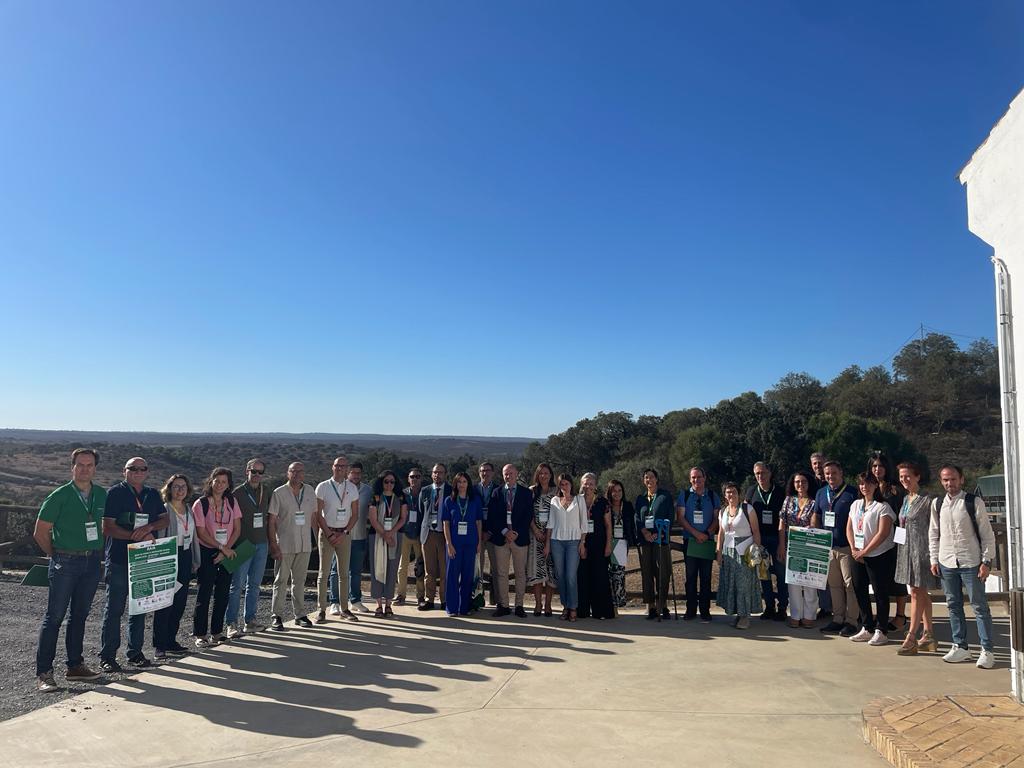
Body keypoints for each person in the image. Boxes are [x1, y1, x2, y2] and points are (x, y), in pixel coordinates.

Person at [34, 449, 107, 692]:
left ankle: (75, 666)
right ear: (72, 467)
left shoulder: (100, 494)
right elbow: (40, 531)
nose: (85, 469)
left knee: (79, 616)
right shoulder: (60, 495)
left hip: (92, 563)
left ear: (95, 468)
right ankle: (44, 673)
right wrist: (55, 555)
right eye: (80, 465)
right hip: (65, 562)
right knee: (54, 618)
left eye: (89, 465)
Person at [99, 457, 169, 673]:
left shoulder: (152, 493)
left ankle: (135, 653)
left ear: (147, 472)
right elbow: (108, 527)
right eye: (133, 468)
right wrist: (134, 534)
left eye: (142, 468)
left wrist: (148, 528)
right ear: (124, 471)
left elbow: (164, 519)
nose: (138, 471)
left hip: (143, 559)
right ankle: (108, 656)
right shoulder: (115, 493)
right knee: (114, 609)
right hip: (120, 559)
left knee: (140, 608)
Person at [929, 464, 997, 669]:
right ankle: (960, 646)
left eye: (953, 479)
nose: (950, 483)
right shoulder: (937, 503)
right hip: (947, 561)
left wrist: (986, 561)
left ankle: (987, 650)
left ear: (961, 479)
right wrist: (934, 559)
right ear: (941, 482)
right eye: (945, 480)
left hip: (971, 562)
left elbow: (987, 534)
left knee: (979, 606)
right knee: (953, 605)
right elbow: (933, 533)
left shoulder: (973, 502)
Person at [191, 467, 242, 647]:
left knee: (222, 594)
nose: (220, 485)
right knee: (204, 593)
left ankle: (217, 632)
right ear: (211, 481)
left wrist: (226, 550)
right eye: (217, 481)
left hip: (228, 552)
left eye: (224, 482)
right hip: (207, 551)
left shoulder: (231, 501)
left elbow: (237, 528)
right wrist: (221, 548)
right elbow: (201, 532)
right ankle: (200, 634)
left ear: (228, 485)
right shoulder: (201, 503)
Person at [846, 473, 897, 646]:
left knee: (880, 592)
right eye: (861, 484)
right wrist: (854, 548)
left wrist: (865, 551)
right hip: (857, 555)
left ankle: (881, 630)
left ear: (875, 486)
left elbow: (882, 533)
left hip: (878, 555)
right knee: (859, 589)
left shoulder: (883, 507)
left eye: (868, 484)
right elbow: (850, 528)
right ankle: (867, 627)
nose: (864, 487)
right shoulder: (855, 505)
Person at [894, 461, 939, 656]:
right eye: (902, 476)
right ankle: (928, 634)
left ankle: (912, 635)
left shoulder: (928, 500)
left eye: (908, 476)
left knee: (916, 593)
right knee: (920, 593)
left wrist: (934, 555)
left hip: (922, 552)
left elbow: (935, 527)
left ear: (917, 476)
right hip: (906, 551)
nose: (904, 479)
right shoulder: (906, 499)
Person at [153, 474, 198, 658]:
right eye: (176, 486)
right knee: (165, 602)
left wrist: (195, 559)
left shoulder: (189, 509)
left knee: (180, 602)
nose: (180, 490)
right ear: (169, 489)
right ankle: (159, 645)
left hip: (186, 555)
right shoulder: (165, 509)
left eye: (183, 487)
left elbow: (194, 535)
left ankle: (171, 640)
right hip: (169, 555)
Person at [267, 462, 316, 631]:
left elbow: (314, 517)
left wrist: (316, 540)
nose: (296, 474)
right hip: (285, 544)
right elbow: (271, 520)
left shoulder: (310, 491)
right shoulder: (278, 493)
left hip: (304, 544)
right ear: (287, 473)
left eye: (299, 471)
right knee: (280, 580)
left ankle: (300, 615)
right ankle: (277, 616)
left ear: (304, 474)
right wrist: (273, 544)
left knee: (299, 581)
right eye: (292, 471)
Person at [226, 458, 271, 637]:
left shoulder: (266, 491)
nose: (257, 475)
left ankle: (250, 621)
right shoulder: (236, 494)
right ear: (247, 471)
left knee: (254, 585)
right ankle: (231, 623)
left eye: (260, 472)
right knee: (236, 585)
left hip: (262, 543)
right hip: (243, 544)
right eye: (254, 471)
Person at [313, 456, 360, 623]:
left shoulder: (352, 488)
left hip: (344, 535)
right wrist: (329, 534)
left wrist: (345, 532)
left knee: (343, 573)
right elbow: (318, 514)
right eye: (337, 466)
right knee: (323, 573)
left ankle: (345, 608)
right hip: (327, 534)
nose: (340, 469)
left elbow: (355, 514)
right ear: (332, 467)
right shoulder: (323, 487)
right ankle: (321, 609)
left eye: (343, 466)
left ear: (347, 469)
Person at [815, 461, 859, 636]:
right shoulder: (820, 493)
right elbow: (817, 516)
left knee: (850, 585)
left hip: (847, 546)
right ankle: (838, 618)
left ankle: (852, 621)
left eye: (833, 473)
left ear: (841, 473)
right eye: (827, 474)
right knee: (834, 585)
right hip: (828, 547)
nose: (830, 477)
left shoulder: (853, 493)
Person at [486, 463, 533, 618]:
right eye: (506, 473)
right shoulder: (496, 493)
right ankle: (503, 605)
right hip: (501, 539)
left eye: (511, 473)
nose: (508, 476)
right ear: (503, 475)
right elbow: (493, 516)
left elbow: (528, 516)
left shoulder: (526, 493)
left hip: (519, 539)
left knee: (520, 573)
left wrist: (516, 532)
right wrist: (505, 531)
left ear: (516, 474)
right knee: (501, 573)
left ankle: (519, 605)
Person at [870, 451, 908, 632]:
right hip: (874, 542)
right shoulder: (868, 487)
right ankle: (881, 614)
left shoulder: (895, 489)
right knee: (879, 581)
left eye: (881, 466)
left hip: (894, 541)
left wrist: (900, 543)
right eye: (874, 466)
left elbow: (902, 517)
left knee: (898, 579)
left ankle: (901, 615)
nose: (877, 469)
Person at [715, 482, 762, 629]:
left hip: (744, 552)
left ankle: (745, 616)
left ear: (739, 493)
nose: (731, 495)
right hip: (728, 553)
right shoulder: (722, 511)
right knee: (732, 585)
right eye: (728, 492)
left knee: (744, 585)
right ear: (724, 495)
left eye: (733, 491)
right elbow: (721, 533)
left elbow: (756, 532)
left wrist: (755, 554)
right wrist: (718, 551)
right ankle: (738, 614)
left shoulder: (748, 509)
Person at [678, 467, 720, 622]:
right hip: (690, 541)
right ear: (690, 479)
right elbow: (680, 518)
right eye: (693, 478)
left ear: (705, 477)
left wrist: (707, 533)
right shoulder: (685, 495)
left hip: (707, 541)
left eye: (699, 477)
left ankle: (705, 610)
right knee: (690, 577)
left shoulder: (712, 495)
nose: (697, 480)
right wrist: (696, 534)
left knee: (706, 577)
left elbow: (717, 518)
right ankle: (690, 610)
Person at [745, 462, 786, 620]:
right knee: (763, 574)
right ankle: (769, 606)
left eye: (763, 473)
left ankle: (782, 607)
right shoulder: (751, 491)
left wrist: (782, 544)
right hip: (759, 539)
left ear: (770, 473)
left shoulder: (780, 492)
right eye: (757, 474)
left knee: (781, 574)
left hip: (777, 538)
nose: (760, 476)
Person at [544, 473, 587, 621]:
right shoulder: (554, 500)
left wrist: (582, 543)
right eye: (561, 484)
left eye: (566, 484)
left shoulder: (579, 499)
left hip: (574, 542)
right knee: (561, 577)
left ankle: (573, 606)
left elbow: (584, 523)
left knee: (570, 576)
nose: (564, 487)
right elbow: (550, 523)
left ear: (571, 484)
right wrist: (548, 544)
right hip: (557, 542)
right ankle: (565, 607)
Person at [780, 471, 820, 628]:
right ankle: (795, 615)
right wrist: (781, 545)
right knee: (794, 582)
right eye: (797, 482)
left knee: (810, 582)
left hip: (809, 545)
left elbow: (815, 521)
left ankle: (809, 615)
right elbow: (782, 524)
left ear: (809, 483)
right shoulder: (788, 500)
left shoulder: (814, 501)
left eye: (803, 481)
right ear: (793, 484)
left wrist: (813, 526)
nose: (800, 484)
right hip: (792, 546)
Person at [442, 471, 484, 616]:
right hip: (454, 544)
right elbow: (446, 524)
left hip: (471, 543)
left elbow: (479, 523)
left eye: (464, 482)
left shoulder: (475, 500)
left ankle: (464, 607)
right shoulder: (449, 501)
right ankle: (452, 608)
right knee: (452, 576)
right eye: (459, 482)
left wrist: (479, 542)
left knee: (467, 576)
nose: (461, 484)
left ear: (468, 484)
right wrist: (449, 544)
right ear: (455, 484)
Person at [368, 470, 408, 617]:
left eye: (392, 482)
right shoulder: (376, 497)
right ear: (381, 482)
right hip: (377, 536)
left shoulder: (401, 497)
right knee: (377, 568)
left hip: (396, 536)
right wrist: (385, 535)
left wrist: (391, 534)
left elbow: (403, 518)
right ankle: (378, 605)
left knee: (392, 569)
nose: (389, 484)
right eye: (386, 481)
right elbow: (373, 519)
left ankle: (388, 605)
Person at [637, 469, 675, 620]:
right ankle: (651, 606)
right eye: (646, 477)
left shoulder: (665, 496)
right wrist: (645, 532)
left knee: (663, 573)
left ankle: (663, 605)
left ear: (657, 479)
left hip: (661, 540)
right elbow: (637, 518)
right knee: (647, 573)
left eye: (652, 477)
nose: (649, 480)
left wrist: (659, 534)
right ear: (643, 480)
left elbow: (670, 517)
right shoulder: (640, 498)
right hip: (646, 541)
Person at [577, 472, 614, 620]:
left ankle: (600, 611)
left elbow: (608, 525)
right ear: (581, 484)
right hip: (581, 544)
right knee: (583, 578)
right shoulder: (577, 501)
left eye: (591, 483)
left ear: (595, 485)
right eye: (585, 483)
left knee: (599, 578)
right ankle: (583, 611)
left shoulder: (602, 502)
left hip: (599, 544)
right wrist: (581, 544)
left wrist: (608, 545)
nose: (588, 486)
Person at [418, 464, 452, 611]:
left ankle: (445, 600)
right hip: (428, 534)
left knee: (445, 570)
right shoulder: (425, 491)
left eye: (440, 472)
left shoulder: (451, 491)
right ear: (431, 474)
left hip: (444, 535)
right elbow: (421, 511)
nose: (437, 475)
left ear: (445, 474)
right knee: (429, 570)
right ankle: (429, 599)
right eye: (435, 472)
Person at [526, 463, 557, 616]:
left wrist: (548, 537)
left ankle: (548, 605)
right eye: (541, 473)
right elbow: (527, 513)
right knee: (536, 572)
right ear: (537, 475)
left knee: (550, 572)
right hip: (535, 537)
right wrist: (536, 530)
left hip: (552, 537)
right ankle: (538, 604)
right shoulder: (531, 491)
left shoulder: (556, 492)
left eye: (546, 473)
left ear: (551, 475)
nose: (544, 476)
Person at [395, 468, 425, 606]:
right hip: (405, 532)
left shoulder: (425, 493)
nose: (415, 479)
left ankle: (420, 596)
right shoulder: (403, 494)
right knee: (402, 566)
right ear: (408, 479)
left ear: (421, 478)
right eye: (412, 476)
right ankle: (401, 595)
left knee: (420, 566)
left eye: (417, 476)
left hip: (420, 534)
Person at [346, 462, 373, 614]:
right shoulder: (341, 488)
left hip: (360, 536)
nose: (355, 475)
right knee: (337, 571)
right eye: (353, 472)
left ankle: (355, 600)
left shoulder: (368, 490)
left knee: (356, 571)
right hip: (342, 536)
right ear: (348, 473)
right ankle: (335, 601)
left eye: (358, 473)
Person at [606, 479, 635, 610]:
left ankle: (617, 605)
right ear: (610, 492)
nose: (617, 493)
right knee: (607, 574)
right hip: (608, 542)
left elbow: (632, 524)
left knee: (618, 574)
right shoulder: (606, 506)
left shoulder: (628, 506)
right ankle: (608, 604)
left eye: (619, 490)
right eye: (614, 491)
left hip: (622, 543)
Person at [475, 462, 499, 605]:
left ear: (493, 473)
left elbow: (500, 514)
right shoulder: (473, 489)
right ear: (479, 473)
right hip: (477, 535)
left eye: (488, 470)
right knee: (478, 568)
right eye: (483, 471)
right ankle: (479, 598)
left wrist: (489, 531)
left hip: (493, 534)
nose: (485, 473)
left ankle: (495, 599)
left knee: (495, 569)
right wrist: (479, 533)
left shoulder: (498, 489)